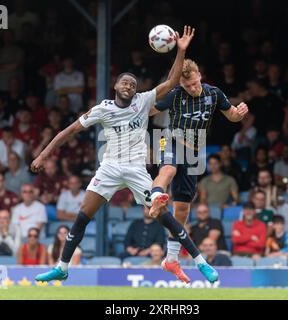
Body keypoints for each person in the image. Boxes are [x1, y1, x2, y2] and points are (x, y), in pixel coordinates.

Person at [32, 27, 219, 284]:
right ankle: (62, 267)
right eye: (124, 82)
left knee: (165, 215)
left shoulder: (142, 101)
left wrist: (181, 50)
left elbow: (173, 81)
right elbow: (70, 130)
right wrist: (43, 155)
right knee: (83, 215)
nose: (129, 85)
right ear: (115, 86)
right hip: (109, 168)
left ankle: (200, 262)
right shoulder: (102, 109)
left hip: (135, 169)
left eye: (132, 83)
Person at [147, 54, 248, 281]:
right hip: (167, 138)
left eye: (195, 83)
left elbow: (231, 115)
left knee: (182, 209)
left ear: (200, 76)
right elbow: (149, 110)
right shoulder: (175, 94)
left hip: (193, 151)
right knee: (168, 170)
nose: (192, 88)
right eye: (187, 85)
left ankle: (171, 259)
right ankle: (155, 196)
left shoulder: (214, 93)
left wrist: (239, 113)